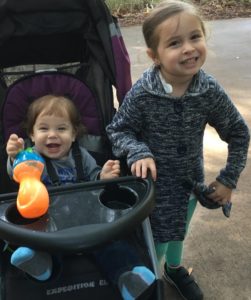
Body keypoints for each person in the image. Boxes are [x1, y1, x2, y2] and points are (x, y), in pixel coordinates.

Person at [106, 1, 250, 300]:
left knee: (179, 229)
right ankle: (150, 280)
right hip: (151, 188)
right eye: (174, 43)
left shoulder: (207, 90)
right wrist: (138, 151)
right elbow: (118, 129)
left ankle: (173, 268)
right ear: (154, 56)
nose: (188, 48)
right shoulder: (144, 93)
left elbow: (239, 132)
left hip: (188, 182)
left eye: (194, 37)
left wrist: (228, 178)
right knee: (155, 241)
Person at [6, 94, 155, 300]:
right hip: (49, 225)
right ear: (31, 134)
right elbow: (20, 174)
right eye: (43, 128)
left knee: (113, 246)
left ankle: (127, 277)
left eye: (61, 128)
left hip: (90, 221)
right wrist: (15, 157)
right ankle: (42, 266)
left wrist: (103, 177)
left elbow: (94, 180)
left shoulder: (81, 156)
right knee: (43, 245)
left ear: (74, 134)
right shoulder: (33, 158)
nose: (52, 135)